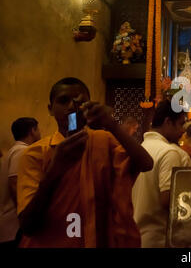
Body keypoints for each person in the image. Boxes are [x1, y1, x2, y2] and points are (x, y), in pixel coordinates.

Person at [16, 77, 153, 248]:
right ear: (50, 109)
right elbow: (28, 226)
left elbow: (146, 163)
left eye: (79, 101)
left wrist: (112, 124)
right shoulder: (36, 153)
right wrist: (55, 169)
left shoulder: (103, 140)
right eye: (63, 100)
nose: (72, 106)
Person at [132, 100, 186, 247]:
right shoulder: (169, 152)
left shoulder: (141, 148)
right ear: (168, 122)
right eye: (181, 124)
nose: (183, 131)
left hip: (137, 234)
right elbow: (166, 199)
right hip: (158, 238)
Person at [0, 118, 41, 247]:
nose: (40, 133)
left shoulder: (13, 151)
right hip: (15, 227)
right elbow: (15, 184)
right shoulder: (22, 151)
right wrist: (26, 217)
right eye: (38, 129)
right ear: (32, 131)